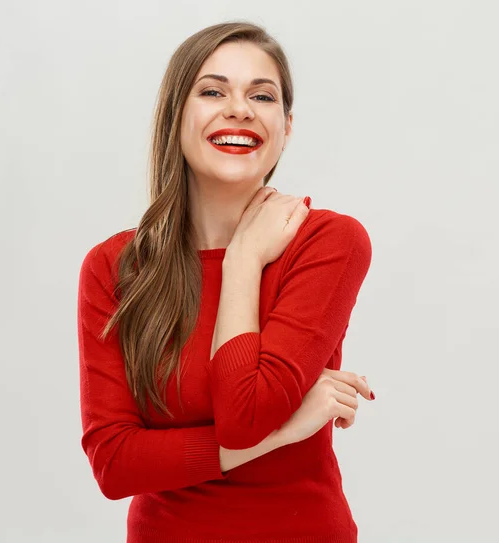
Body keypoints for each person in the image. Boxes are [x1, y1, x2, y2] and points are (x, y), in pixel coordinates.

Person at [77, 20, 375, 543]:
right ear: (177, 117)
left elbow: (243, 415)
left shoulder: (329, 243)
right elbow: (116, 464)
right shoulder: (116, 266)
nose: (239, 108)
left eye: (262, 95)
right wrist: (287, 430)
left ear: (285, 126)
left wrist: (242, 261)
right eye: (212, 90)